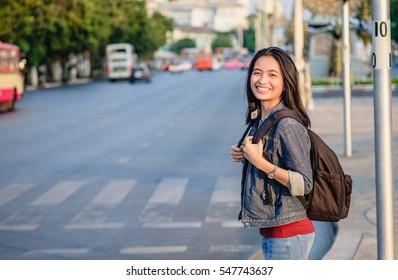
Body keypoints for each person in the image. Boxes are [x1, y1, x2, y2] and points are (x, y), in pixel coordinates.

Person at [230, 47, 314, 260]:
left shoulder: (287, 125)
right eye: (257, 72)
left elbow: (304, 183)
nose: (261, 80)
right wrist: (245, 155)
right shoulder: (262, 120)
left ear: (286, 82)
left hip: (288, 232)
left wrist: (259, 162)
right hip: (274, 229)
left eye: (272, 75)